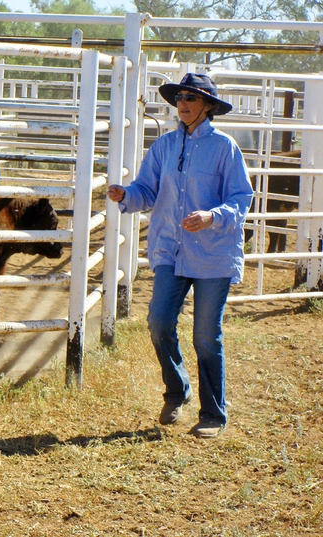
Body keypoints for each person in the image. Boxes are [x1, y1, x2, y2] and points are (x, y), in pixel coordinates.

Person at [107, 73, 253, 438]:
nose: (183, 103)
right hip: (171, 247)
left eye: (192, 97)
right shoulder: (164, 146)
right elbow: (146, 190)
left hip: (213, 253)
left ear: (208, 106)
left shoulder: (225, 148)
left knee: (206, 335)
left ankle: (213, 415)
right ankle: (177, 391)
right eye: (180, 97)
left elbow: (240, 198)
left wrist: (211, 217)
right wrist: (126, 195)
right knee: (158, 322)